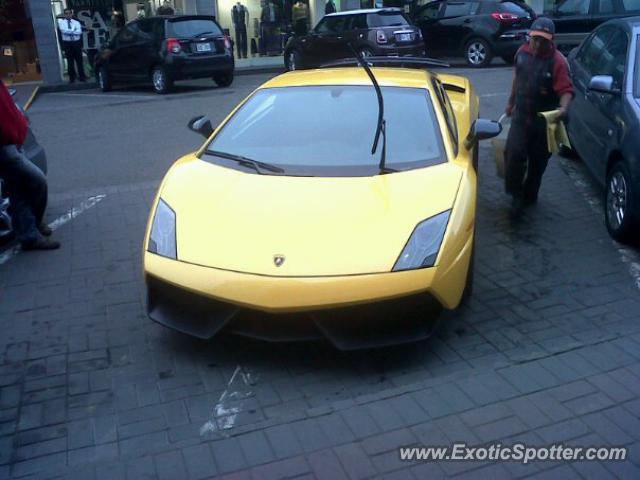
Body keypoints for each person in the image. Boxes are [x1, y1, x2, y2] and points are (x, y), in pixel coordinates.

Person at [504, 17, 573, 214]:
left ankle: (530, 195)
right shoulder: (521, 53)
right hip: (521, 117)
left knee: (538, 162)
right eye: (535, 39)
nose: (538, 44)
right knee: (513, 155)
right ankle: (515, 196)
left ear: (551, 40)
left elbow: (566, 90)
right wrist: (510, 103)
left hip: (544, 123)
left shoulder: (558, 61)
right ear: (530, 37)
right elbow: (517, 81)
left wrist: (563, 108)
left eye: (543, 40)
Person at [0, 82, 59, 250]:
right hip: (6, 146)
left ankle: (29, 234)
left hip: (14, 143)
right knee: (37, 181)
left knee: (18, 191)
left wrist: (20, 123)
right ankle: (33, 227)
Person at [57, 8, 86, 83]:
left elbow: (79, 32)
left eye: (69, 13)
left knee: (79, 61)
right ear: (64, 15)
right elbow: (63, 31)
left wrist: (70, 31)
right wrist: (74, 31)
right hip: (67, 44)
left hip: (76, 43)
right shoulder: (61, 23)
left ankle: (82, 77)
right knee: (70, 62)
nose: (68, 15)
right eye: (66, 13)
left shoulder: (76, 22)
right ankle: (72, 78)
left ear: (71, 14)